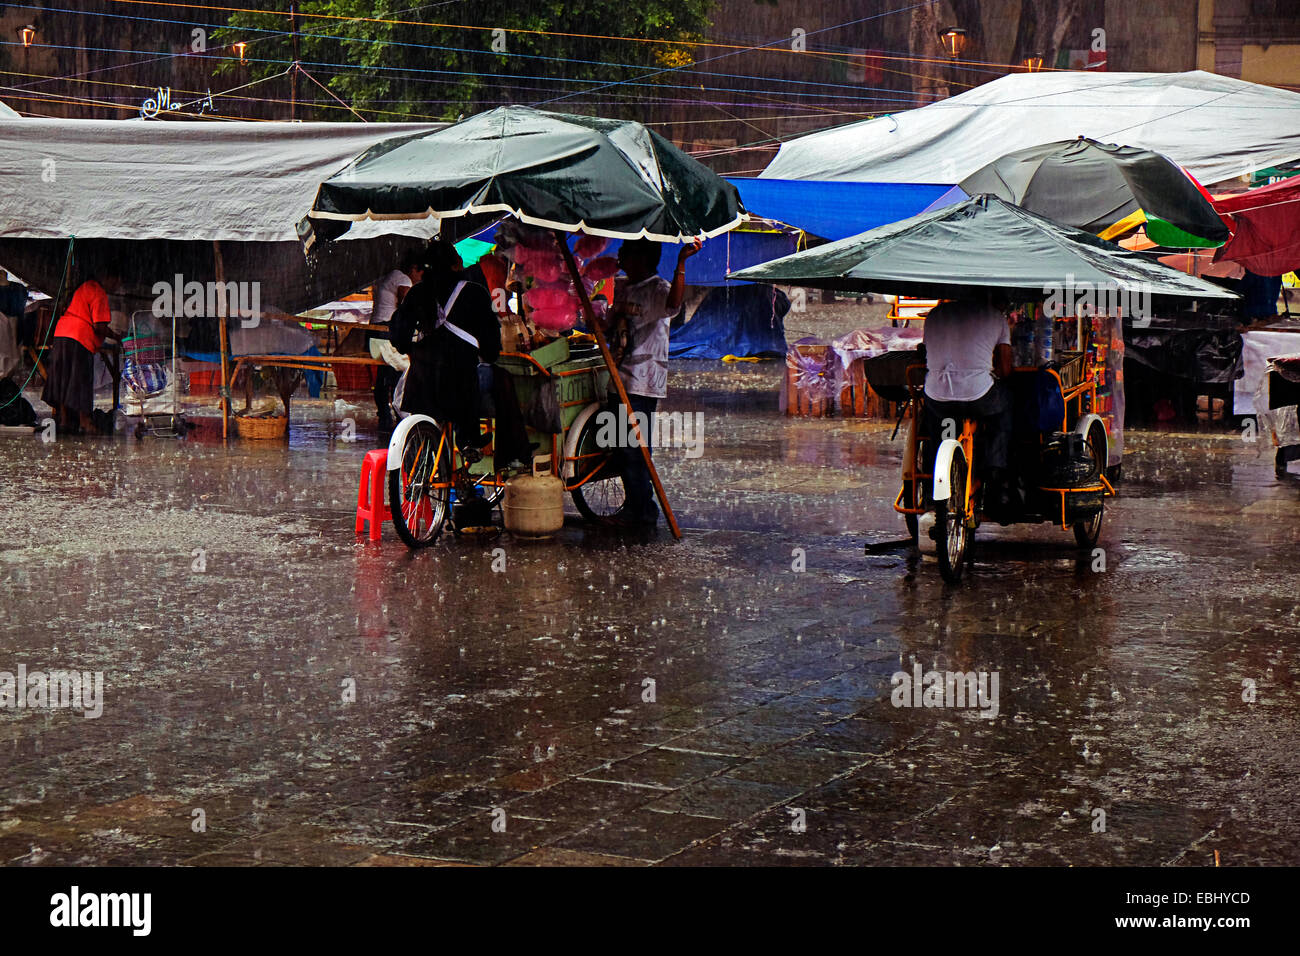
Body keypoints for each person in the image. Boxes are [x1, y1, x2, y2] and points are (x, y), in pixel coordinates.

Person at [598, 237, 700, 527]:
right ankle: (637, 505)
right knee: (620, 445)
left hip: (641, 382)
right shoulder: (622, 286)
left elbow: (673, 305)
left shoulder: (659, 289)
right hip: (618, 376)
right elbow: (609, 326)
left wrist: (681, 263)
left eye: (625, 252)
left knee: (634, 447)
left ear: (641, 259)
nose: (619, 257)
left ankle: (642, 511)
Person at [390, 239, 500, 462]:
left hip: (421, 383)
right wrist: (487, 355)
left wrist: (413, 349)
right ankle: (469, 442)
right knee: (484, 391)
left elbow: (398, 336)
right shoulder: (475, 293)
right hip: (459, 385)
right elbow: (491, 346)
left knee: (424, 416)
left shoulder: (417, 293)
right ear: (456, 264)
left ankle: (417, 465)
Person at [921, 293, 1015, 511]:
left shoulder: (934, 315)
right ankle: (996, 469)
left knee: (934, 421)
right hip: (978, 396)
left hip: (937, 395)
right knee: (1005, 403)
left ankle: (932, 473)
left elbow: (926, 353)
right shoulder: (996, 317)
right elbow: (1005, 369)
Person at [41, 263, 122, 435]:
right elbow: (99, 326)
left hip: (62, 333)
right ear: (108, 278)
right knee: (79, 380)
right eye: (116, 282)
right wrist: (116, 336)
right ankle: (85, 422)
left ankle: (64, 420)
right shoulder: (99, 292)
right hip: (79, 337)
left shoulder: (84, 287)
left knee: (64, 378)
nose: (116, 286)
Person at [369, 251, 423, 432]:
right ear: (413, 269)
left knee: (383, 375)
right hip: (386, 329)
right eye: (420, 274)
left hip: (374, 331)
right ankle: (399, 415)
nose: (420, 278)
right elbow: (406, 306)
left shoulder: (389, 275)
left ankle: (384, 415)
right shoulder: (403, 279)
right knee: (397, 373)